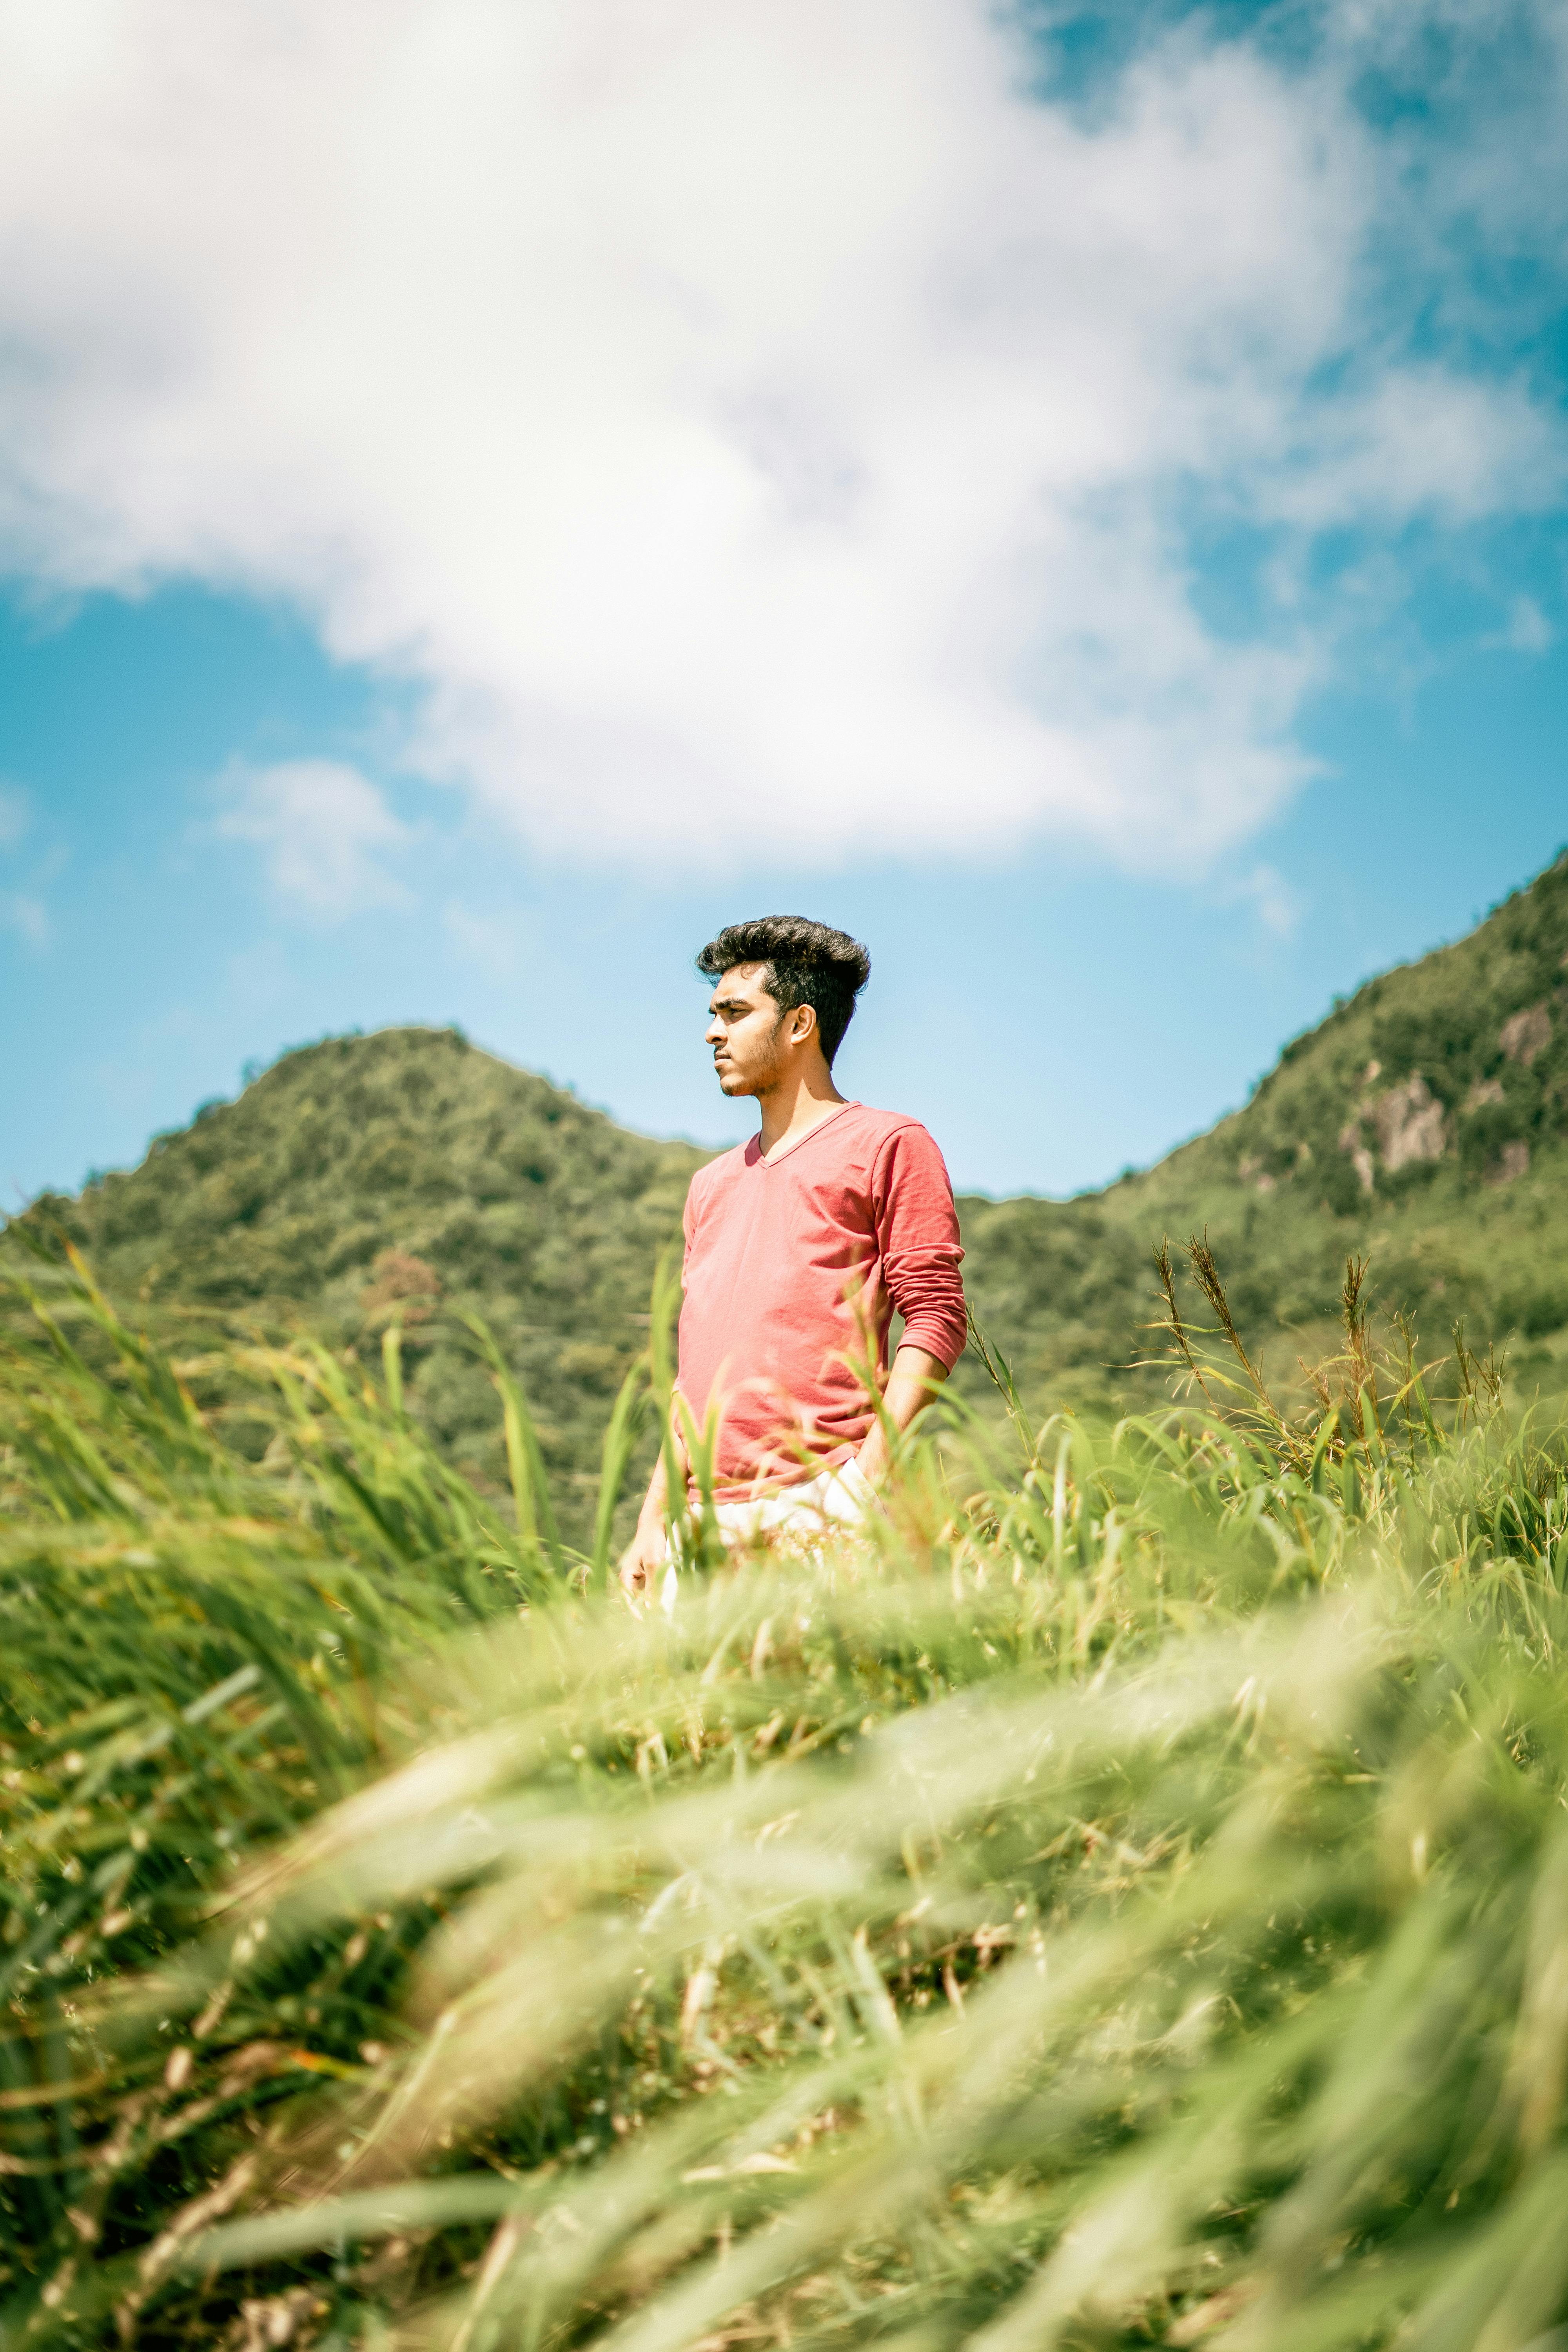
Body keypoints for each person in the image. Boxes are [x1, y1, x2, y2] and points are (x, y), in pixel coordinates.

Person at [619, 916, 967, 1596]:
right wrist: (653, 1518)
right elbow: (693, 1378)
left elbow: (936, 1315)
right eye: (714, 1014)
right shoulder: (709, 1186)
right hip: (701, 1524)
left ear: (801, 1023)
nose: (713, 1032)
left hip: (824, 1495)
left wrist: (866, 1481)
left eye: (735, 1013)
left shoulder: (889, 1144)